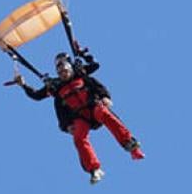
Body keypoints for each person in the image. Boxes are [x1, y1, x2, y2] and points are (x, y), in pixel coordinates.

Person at [14, 50, 144, 184]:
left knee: (105, 114)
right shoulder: (56, 87)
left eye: (64, 67)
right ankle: (94, 169)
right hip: (79, 116)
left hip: (93, 107)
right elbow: (36, 95)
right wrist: (23, 85)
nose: (62, 71)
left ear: (70, 66)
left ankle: (130, 144)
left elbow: (95, 66)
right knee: (78, 138)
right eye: (59, 70)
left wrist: (83, 55)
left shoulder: (81, 75)